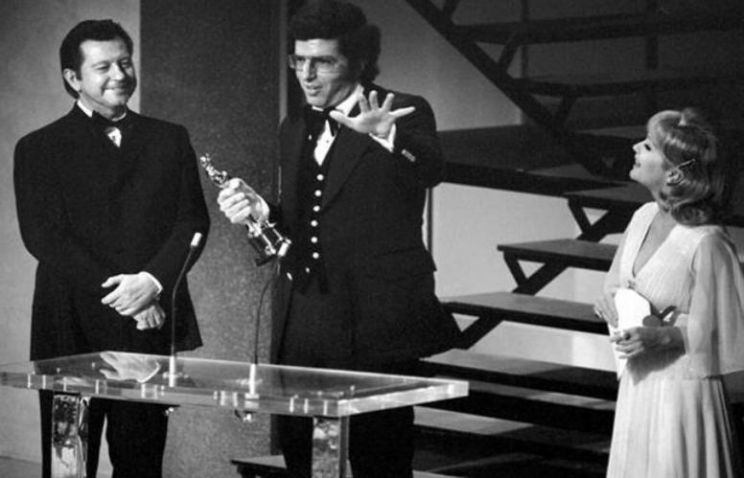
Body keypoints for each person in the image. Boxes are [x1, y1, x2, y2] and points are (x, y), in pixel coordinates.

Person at [217, 1, 460, 476]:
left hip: (375, 319)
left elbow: (431, 170)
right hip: (304, 317)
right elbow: (306, 218)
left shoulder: (402, 111)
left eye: (323, 61)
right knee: (302, 458)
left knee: (380, 458)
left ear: (359, 61)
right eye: (299, 60)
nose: (307, 75)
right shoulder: (294, 125)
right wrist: (261, 213)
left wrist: (389, 138)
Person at [13, 19, 209, 478]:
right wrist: (131, 298)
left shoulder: (170, 138)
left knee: (142, 463)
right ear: (73, 78)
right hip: (70, 327)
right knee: (68, 463)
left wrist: (153, 282)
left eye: (125, 62)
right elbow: (44, 237)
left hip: (148, 329)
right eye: (103, 67)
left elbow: (192, 222)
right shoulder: (38, 147)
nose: (119, 75)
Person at [594, 108, 744, 477]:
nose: (635, 147)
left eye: (647, 146)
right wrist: (609, 301)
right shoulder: (642, 216)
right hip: (638, 383)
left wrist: (662, 337)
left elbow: (727, 328)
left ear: (674, 173)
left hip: (682, 391)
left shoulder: (706, 241)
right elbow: (614, 283)